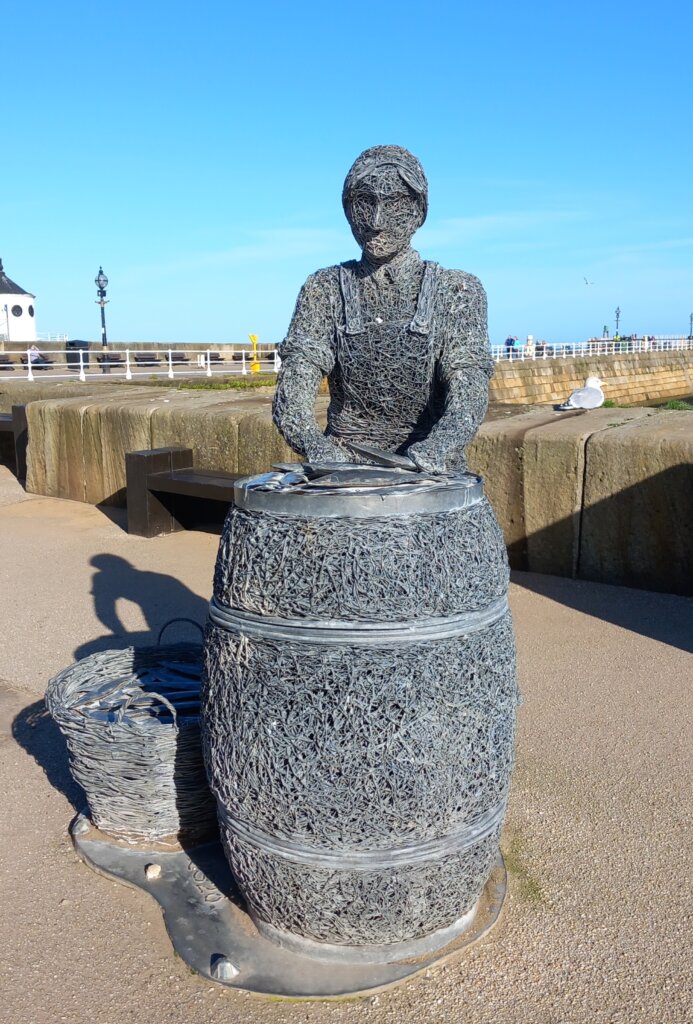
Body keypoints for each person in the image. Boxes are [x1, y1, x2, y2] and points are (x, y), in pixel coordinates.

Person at [272, 146, 493, 474]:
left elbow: (469, 385)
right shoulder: (324, 289)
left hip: (425, 471)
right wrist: (312, 441)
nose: (376, 221)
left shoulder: (457, 290)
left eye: (394, 203)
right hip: (342, 466)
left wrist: (441, 445)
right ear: (349, 211)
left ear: (418, 212)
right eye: (365, 202)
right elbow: (296, 381)